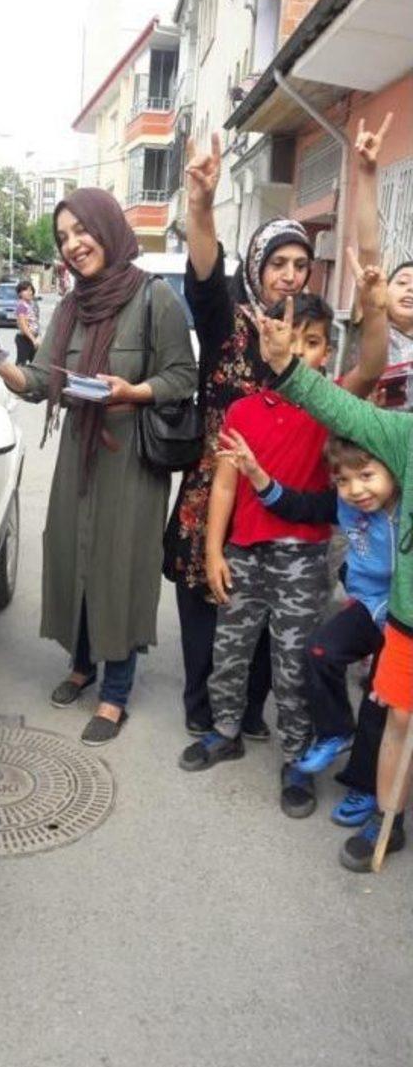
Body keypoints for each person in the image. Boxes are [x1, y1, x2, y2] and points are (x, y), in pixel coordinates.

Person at [164, 131, 387, 755]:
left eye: (300, 265)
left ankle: (253, 713)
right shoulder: (227, 321)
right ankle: (207, 713)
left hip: (288, 498)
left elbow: (359, 373)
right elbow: (205, 273)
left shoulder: (311, 337)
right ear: (258, 269)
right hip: (220, 476)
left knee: (271, 619)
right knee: (211, 600)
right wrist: (201, 203)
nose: (289, 276)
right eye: (278, 264)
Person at [0, 187, 196, 745]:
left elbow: (183, 377)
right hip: (79, 457)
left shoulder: (153, 299)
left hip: (131, 462)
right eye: (63, 238)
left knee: (119, 566)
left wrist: (134, 390)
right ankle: (82, 663)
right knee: (74, 555)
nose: (72, 245)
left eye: (80, 231)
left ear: (107, 227)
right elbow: (41, 382)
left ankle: (116, 692)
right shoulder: (70, 307)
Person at [183, 271, 386, 817]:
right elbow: (225, 482)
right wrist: (212, 552)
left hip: (302, 556)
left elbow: (371, 365)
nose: (299, 350)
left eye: (314, 341)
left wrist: (374, 310)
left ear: (326, 351)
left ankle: (297, 758)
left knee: (294, 663)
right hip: (244, 552)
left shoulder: (331, 406)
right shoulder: (243, 410)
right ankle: (225, 730)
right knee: (230, 649)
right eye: (292, 337)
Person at [257, 265, 413, 871]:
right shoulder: (400, 435)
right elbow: (339, 410)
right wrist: (287, 368)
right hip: (403, 617)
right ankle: (387, 818)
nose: (356, 488)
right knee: (395, 716)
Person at [218, 427, 398, 828]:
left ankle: (367, 790)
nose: (355, 490)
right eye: (343, 480)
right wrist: (255, 472)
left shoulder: (403, 505)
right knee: (319, 652)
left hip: (404, 615)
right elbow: (296, 505)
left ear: (393, 468)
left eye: (366, 476)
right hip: (369, 607)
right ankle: (336, 731)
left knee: (379, 703)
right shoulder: (343, 504)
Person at [354, 111, 413, 374]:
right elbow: (368, 247)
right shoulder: (375, 325)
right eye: (402, 282)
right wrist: (367, 172)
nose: (410, 290)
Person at [15, 279, 41, 366]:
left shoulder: (32, 305)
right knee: (21, 364)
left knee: (36, 364)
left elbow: (36, 323)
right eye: (25, 290)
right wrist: (33, 340)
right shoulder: (21, 306)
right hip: (24, 339)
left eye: (30, 290)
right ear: (20, 293)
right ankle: (12, 379)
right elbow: (23, 327)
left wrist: (38, 336)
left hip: (32, 338)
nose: (29, 292)